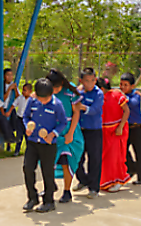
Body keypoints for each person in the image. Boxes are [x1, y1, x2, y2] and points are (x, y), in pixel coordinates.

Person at [22, 77, 67, 213]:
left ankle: (49, 201)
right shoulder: (32, 101)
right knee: (27, 168)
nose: (42, 101)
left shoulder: (57, 104)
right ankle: (32, 198)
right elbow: (25, 117)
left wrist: (53, 134)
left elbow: (63, 123)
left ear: (51, 94)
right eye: (40, 98)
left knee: (47, 172)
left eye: (45, 99)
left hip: (48, 144)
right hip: (33, 142)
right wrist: (27, 128)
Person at [46, 69, 84, 203]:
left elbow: (76, 113)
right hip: (52, 131)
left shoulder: (70, 92)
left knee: (65, 161)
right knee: (47, 161)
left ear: (62, 83)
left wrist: (71, 133)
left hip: (68, 130)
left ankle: (67, 191)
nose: (55, 90)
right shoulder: (46, 91)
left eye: (56, 87)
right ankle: (50, 185)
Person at [72, 67, 105, 199]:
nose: (90, 83)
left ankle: (93, 188)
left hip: (94, 130)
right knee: (77, 158)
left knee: (94, 159)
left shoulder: (98, 94)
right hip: (80, 130)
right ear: (81, 81)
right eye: (87, 81)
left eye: (92, 80)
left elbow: (95, 110)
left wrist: (83, 107)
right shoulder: (79, 92)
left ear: (95, 80)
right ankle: (83, 180)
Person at [99, 77, 131, 192]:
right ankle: (106, 181)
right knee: (105, 158)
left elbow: (126, 111)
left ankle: (118, 180)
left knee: (115, 157)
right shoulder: (99, 97)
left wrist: (120, 127)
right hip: (103, 130)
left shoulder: (117, 95)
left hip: (116, 130)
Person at [120, 72, 141, 185]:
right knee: (122, 151)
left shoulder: (136, 95)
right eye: (121, 84)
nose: (122, 87)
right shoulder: (121, 96)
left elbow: (131, 103)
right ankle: (132, 168)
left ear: (132, 86)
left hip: (137, 128)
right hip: (126, 128)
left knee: (140, 153)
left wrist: (121, 97)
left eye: (126, 85)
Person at [10, 82, 31, 156]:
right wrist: (9, 112)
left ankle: (29, 152)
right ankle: (17, 151)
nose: (23, 92)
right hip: (19, 119)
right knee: (19, 135)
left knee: (27, 136)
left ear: (30, 91)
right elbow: (13, 105)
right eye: (23, 90)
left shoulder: (32, 100)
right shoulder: (20, 98)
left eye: (25, 90)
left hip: (28, 120)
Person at [3, 68, 20, 149]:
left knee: (13, 124)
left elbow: (18, 97)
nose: (10, 77)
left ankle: (11, 143)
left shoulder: (14, 84)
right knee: (6, 124)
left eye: (11, 75)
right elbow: (3, 98)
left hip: (11, 108)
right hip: (4, 107)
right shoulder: (2, 85)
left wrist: (15, 89)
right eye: (8, 75)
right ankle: (8, 144)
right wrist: (9, 89)